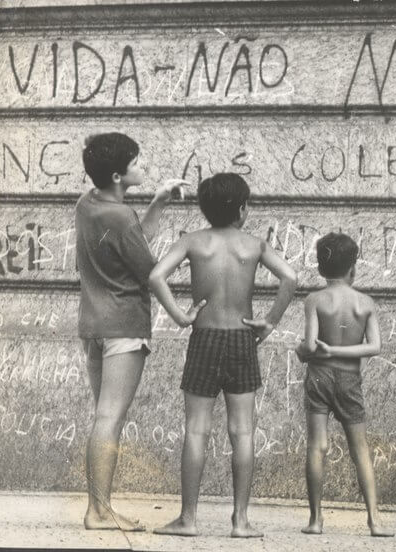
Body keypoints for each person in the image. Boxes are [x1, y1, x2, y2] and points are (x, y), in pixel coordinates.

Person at [148, 173, 297, 537]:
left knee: (196, 430)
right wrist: (270, 322)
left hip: (204, 338)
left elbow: (156, 276)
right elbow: (290, 278)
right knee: (242, 431)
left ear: (205, 208)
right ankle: (241, 521)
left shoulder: (193, 241)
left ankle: (188, 519)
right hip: (242, 338)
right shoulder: (254, 245)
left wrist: (181, 316)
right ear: (243, 209)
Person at [77, 132, 187, 531]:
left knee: (103, 417)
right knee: (110, 418)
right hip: (123, 325)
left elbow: (131, 244)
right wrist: (180, 315)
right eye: (136, 163)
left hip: (93, 325)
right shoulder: (121, 217)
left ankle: (101, 507)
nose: (142, 166)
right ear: (119, 176)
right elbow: (151, 272)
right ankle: (99, 511)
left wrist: (156, 203)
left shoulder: (88, 204)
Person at [294, 232, 393, 538]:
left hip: (319, 376)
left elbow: (310, 346)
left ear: (321, 267)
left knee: (317, 446)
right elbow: (374, 346)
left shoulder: (315, 300)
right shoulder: (364, 302)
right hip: (350, 379)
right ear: (354, 267)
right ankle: (374, 519)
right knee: (360, 449)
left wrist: (306, 351)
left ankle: (315, 519)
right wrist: (341, 353)